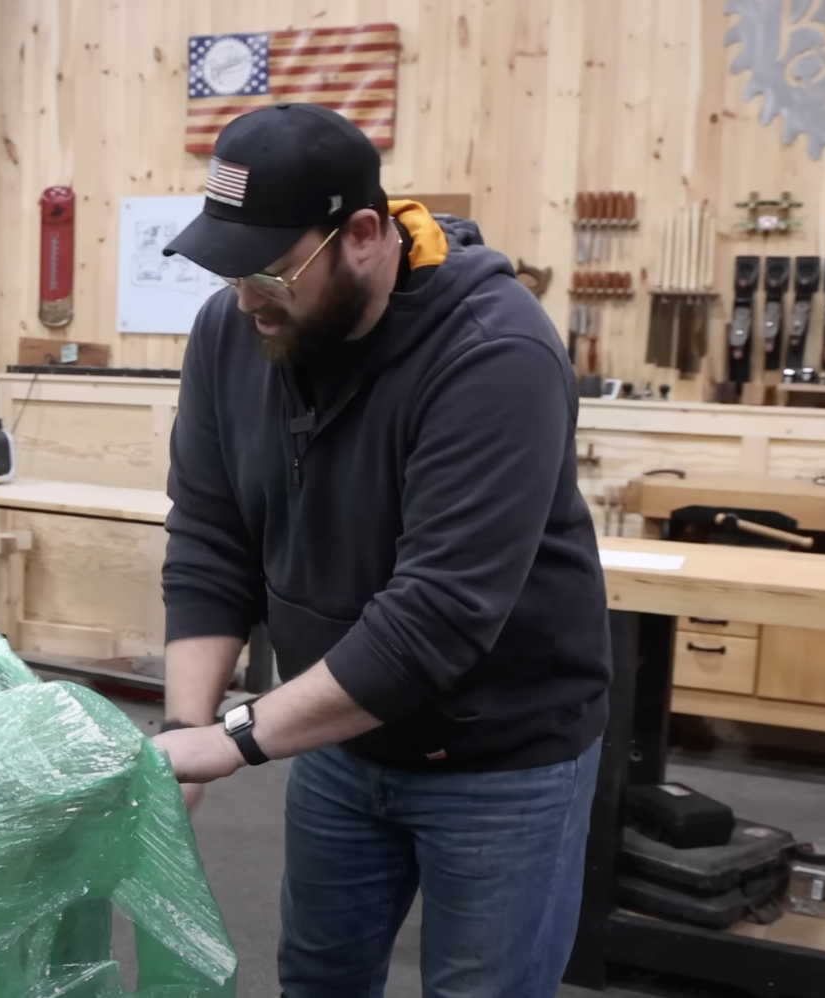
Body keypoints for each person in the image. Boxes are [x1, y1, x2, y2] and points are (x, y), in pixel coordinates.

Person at [150, 103, 613, 998]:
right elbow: (211, 537)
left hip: (501, 755)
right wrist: (184, 729)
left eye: (270, 271)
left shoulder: (494, 351)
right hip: (339, 741)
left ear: (362, 235)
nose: (246, 297)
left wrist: (230, 741)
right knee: (320, 980)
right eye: (228, 269)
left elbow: (434, 622)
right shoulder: (232, 333)